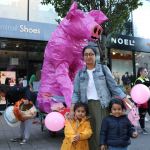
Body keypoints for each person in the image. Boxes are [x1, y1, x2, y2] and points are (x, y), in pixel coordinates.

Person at [71, 45, 134, 150]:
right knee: (88, 133)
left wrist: (127, 100)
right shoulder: (80, 73)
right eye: (86, 54)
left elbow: (114, 87)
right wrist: (72, 109)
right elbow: (76, 93)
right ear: (83, 57)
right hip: (85, 107)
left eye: (91, 54)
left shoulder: (103, 69)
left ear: (96, 56)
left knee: (101, 132)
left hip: (102, 105)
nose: (88, 56)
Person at [135, 67, 150, 134]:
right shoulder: (138, 80)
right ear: (140, 72)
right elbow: (140, 90)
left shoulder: (147, 79)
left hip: (149, 99)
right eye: (145, 71)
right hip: (142, 101)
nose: (146, 72)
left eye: (147, 71)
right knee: (142, 115)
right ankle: (143, 128)